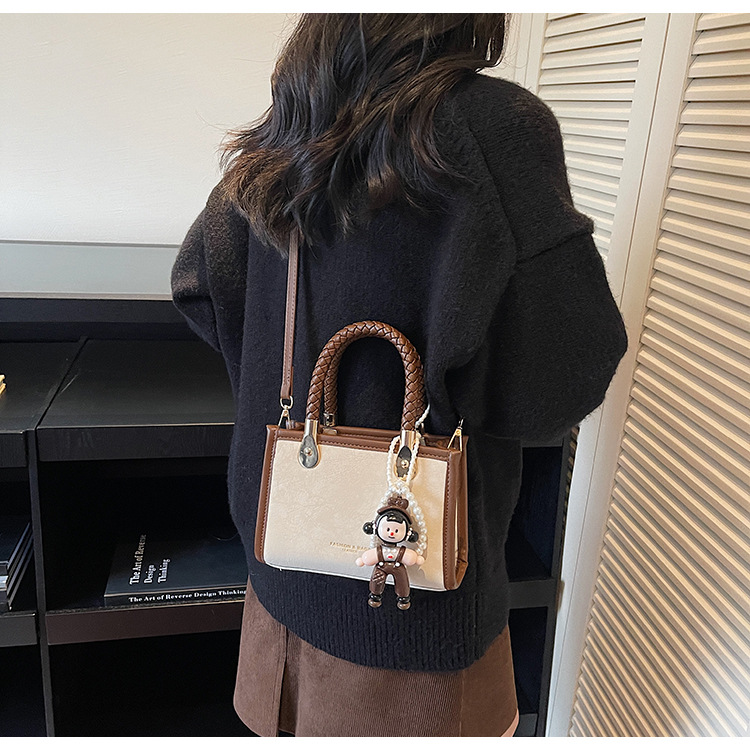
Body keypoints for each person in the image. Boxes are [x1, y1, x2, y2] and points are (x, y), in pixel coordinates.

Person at [170, 13, 629, 737]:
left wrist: (291, 385)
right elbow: (562, 378)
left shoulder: (292, 117)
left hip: (282, 553)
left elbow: (200, 280)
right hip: (411, 613)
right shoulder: (490, 126)